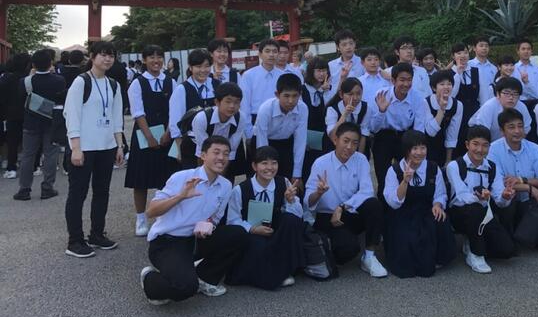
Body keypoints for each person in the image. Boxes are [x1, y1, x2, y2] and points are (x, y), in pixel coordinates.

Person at [140, 136, 248, 304]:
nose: (221, 157)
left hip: (196, 239)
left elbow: (215, 218)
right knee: (186, 287)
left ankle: (205, 277)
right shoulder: (182, 177)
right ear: (203, 155)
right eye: (216, 152)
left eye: (226, 153)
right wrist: (181, 196)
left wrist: (208, 225)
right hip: (168, 242)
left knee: (238, 234)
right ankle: (149, 278)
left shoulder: (226, 185)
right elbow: (151, 211)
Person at [63, 41, 124, 257]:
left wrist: (119, 145)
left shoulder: (114, 85)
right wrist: (76, 148)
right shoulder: (81, 82)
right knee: (77, 194)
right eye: (103, 55)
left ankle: (97, 234)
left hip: (106, 146)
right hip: (84, 147)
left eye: (111, 55)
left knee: (102, 192)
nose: (107, 59)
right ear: (92, 56)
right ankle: (75, 241)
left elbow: (117, 117)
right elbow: (71, 115)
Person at [305, 122, 388, 277]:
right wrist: (318, 193)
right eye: (346, 141)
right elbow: (308, 202)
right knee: (348, 250)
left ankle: (369, 256)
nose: (349, 147)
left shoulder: (361, 160)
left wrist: (343, 207)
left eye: (355, 143)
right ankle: (329, 246)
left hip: (349, 212)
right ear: (335, 140)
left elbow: (367, 191)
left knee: (374, 205)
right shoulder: (320, 163)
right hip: (328, 217)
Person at [226, 146, 305, 290]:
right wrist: (252, 229)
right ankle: (274, 275)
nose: (270, 168)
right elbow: (232, 220)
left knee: (291, 220)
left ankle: (286, 269)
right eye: (264, 163)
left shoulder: (283, 182)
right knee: (259, 245)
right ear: (254, 166)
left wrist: (291, 200)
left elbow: (299, 215)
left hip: (276, 230)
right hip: (252, 232)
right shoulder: (240, 189)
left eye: (274, 163)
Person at [382, 130, 455, 278]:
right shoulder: (394, 170)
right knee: (405, 248)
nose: (419, 152)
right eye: (414, 148)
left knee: (441, 219)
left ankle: (438, 258)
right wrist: (405, 181)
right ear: (406, 150)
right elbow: (393, 202)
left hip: (426, 211)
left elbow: (440, 193)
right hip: (402, 213)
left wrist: (438, 205)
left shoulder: (433, 168)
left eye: (423, 148)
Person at [446, 125, 515, 273]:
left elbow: (499, 199)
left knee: (507, 250)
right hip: (460, 214)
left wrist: (505, 196)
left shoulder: (492, 167)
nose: (480, 149)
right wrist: (479, 198)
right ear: (467, 145)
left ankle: (472, 240)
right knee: (475, 209)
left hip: (484, 215)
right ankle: (476, 253)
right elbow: (461, 196)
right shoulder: (454, 166)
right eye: (475, 144)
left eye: (485, 145)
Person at [488, 109, 538, 253]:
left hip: (529, 203)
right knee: (510, 198)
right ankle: (509, 235)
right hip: (506, 203)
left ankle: (523, 233)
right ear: (502, 131)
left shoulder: (534, 148)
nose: (517, 131)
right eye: (511, 127)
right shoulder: (493, 150)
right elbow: (501, 184)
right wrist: (529, 187)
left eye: (520, 126)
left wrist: (521, 180)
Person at [125, 45, 176, 237]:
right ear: (144, 60)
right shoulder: (137, 83)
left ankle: (163, 217)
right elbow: (138, 112)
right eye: (151, 57)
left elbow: (175, 109)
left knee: (167, 177)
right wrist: (149, 137)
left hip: (167, 135)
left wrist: (168, 133)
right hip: (144, 135)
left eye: (159, 57)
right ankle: (141, 218)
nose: (156, 61)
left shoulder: (171, 82)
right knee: (141, 179)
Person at [13, 49, 66, 201]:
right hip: (51, 122)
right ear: (51, 63)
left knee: (28, 156)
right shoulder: (59, 80)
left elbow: (21, 100)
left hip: (30, 123)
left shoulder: (25, 81)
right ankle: (47, 188)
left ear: (33, 64)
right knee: (50, 154)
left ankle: (24, 189)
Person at [370, 62, 425, 198]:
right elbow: (374, 128)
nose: (406, 84)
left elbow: (419, 128)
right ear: (393, 81)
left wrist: (416, 149)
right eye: (402, 80)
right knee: (383, 177)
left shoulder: (417, 98)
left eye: (409, 80)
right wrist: (382, 111)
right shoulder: (382, 94)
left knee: (404, 175)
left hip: (406, 137)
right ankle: (383, 206)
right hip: (384, 137)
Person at [168, 49, 218, 169]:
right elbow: (175, 122)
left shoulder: (217, 85)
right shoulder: (182, 89)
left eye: (207, 66)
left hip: (215, 143)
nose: (203, 70)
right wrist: (179, 147)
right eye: (198, 66)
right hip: (191, 145)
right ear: (190, 67)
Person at [254, 72, 308, 183]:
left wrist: (297, 174)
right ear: (277, 94)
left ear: (300, 94)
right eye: (286, 96)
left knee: (286, 181)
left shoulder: (303, 109)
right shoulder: (265, 109)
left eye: (295, 96)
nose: (291, 101)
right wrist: (264, 169)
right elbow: (262, 142)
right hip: (264, 142)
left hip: (286, 144)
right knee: (263, 180)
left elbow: (300, 141)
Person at [189, 82, 248, 180]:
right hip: (194, 149)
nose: (232, 106)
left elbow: (231, 150)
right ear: (217, 102)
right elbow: (202, 151)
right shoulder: (202, 119)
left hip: (222, 153)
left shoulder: (241, 118)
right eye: (228, 101)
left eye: (236, 102)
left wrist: (220, 178)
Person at [417, 71, 462, 168]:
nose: (446, 87)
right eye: (442, 84)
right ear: (434, 88)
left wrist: (448, 160)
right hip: (426, 145)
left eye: (449, 84)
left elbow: (452, 134)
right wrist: (441, 109)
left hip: (444, 146)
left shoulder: (458, 105)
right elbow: (431, 132)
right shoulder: (425, 102)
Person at [468, 77, 531, 143]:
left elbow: (525, 129)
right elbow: (482, 133)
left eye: (515, 94)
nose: (511, 97)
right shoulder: (489, 106)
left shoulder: (522, 107)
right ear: (498, 94)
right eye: (506, 93)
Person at [301, 57, 335, 180]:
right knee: (307, 171)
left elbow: (330, 109)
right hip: (306, 137)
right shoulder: (302, 90)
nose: (322, 74)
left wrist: (324, 91)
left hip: (325, 137)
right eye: (319, 71)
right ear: (311, 72)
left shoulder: (329, 90)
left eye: (324, 70)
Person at [239, 39, 282, 133]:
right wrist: (248, 130)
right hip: (255, 119)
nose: (271, 54)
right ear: (260, 54)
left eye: (275, 51)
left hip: (279, 119)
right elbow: (244, 104)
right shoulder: (248, 75)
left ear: (278, 54)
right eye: (267, 51)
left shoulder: (283, 76)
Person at [0, 53, 31, 180]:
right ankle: (32, 166)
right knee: (29, 142)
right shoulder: (29, 79)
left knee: (12, 141)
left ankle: (11, 167)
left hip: (11, 114)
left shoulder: (6, 79)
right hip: (28, 113)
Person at [325, 78, 372, 156]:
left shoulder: (366, 108)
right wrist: (344, 115)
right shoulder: (332, 109)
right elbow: (332, 136)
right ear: (341, 94)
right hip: (334, 149)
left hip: (356, 148)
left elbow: (363, 134)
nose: (355, 98)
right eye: (350, 94)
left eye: (358, 94)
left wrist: (359, 156)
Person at [450, 42, 480, 157]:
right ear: (453, 56)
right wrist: (458, 73)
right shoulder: (449, 73)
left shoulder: (475, 71)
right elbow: (451, 95)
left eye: (465, 52)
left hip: (474, 112)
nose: (463, 55)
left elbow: (482, 95)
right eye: (459, 53)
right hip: (457, 114)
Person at [512, 37, 538, 105]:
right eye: (523, 49)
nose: (526, 51)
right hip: (519, 103)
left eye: (528, 49)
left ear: (531, 51)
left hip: (537, 102)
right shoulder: (513, 68)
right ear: (518, 51)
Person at [468, 36, 497, 105]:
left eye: (486, 46)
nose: (484, 48)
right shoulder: (468, 66)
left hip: (491, 104)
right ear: (474, 48)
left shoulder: (493, 68)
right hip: (474, 104)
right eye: (481, 46)